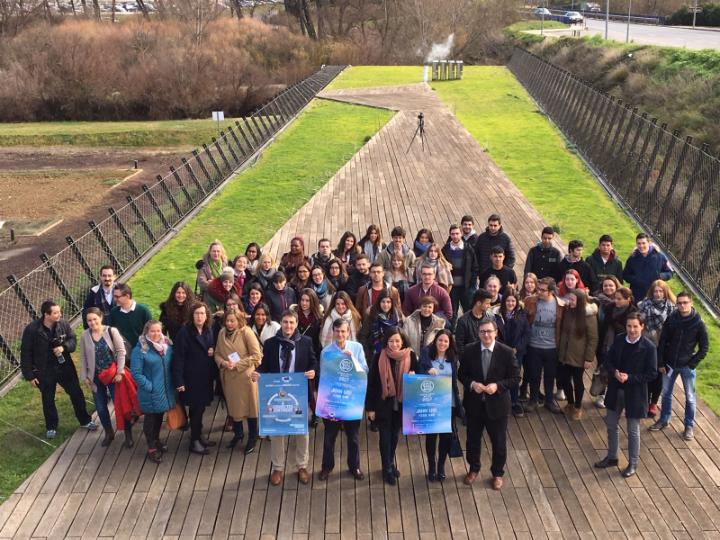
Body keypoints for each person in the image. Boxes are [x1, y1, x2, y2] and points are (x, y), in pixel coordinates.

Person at [253, 310, 318, 486]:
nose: (288, 326)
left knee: (301, 431)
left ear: (296, 324)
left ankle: (302, 466)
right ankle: (278, 467)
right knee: (277, 431)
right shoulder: (270, 343)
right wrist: (258, 373)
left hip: (298, 393)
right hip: (276, 394)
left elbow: (313, 362)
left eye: (291, 322)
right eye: (285, 322)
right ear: (280, 323)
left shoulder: (305, 342)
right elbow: (264, 365)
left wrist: (313, 371)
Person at [21, 300, 97, 440]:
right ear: (46, 314)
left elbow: (72, 340)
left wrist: (64, 347)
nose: (59, 314)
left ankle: (85, 420)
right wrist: (30, 375)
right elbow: (25, 353)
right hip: (44, 371)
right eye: (56, 313)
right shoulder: (32, 330)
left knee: (76, 394)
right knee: (48, 399)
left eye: (59, 312)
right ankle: (51, 426)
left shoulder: (63, 324)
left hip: (65, 368)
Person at [459, 318, 520, 489]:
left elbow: (516, 378)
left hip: (498, 405)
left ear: (496, 332)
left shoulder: (507, 352)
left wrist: (498, 386)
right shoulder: (470, 350)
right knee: (472, 440)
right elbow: (461, 374)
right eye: (482, 332)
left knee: (499, 442)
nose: (486, 335)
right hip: (474, 405)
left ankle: (498, 473)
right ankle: (473, 468)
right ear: (478, 333)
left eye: (489, 331)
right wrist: (472, 384)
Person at [595, 312, 657, 478]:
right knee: (611, 425)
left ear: (642, 327)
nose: (632, 330)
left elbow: (651, 374)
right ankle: (612, 456)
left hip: (635, 392)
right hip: (616, 388)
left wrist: (630, 378)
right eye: (629, 326)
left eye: (635, 326)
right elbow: (608, 360)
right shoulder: (619, 339)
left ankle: (633, 463)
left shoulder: (649, 348)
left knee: (633, 430)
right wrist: (614, 372)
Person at [650, 292, 709, 440]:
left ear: (691, 303)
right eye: (680, 303)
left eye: (685, 302)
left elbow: (704, 347)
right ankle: (664, 419)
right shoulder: (672, 319)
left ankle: (689, 426)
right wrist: (661, 362)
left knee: (689, 397)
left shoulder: (699, 323)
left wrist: (692, 363)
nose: (682, 305)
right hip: (669, 363)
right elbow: (662, 341)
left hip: (687, 365)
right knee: (666, 393)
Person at [366, 327, 419, 484]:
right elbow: (372, 384)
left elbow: (419, 374)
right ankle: (387, 468)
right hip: (384, 404)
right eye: (391, 341)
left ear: (402, 341)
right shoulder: (379, 357)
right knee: (384, 437)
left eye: (397, 341)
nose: (394, 344)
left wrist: (414, 375)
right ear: (386, 342)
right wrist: (370, 408)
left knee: (395, 436)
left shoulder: (410, 355)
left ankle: (389, 462)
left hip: (402, 404)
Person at [318, 318, 368, 481]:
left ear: (348, 332)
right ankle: (327, 467)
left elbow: (365, 372)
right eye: (337, 331)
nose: (340, 334)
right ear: (333, 332)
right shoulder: (326, 352)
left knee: (353, 437)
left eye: (343, 331)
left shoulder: (357, 348)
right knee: (329, 437)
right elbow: (324, 377)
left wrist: (352, 359)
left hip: (351, 400)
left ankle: (354, 467)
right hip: (332, 400)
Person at [215, 309, 262, 453]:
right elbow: (217, 353)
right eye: (227, 321)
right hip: (229, 377)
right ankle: (238, 434)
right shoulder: (221, 333)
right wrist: (223, 363)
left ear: (238, 321)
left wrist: (238, 364)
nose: (229, 324)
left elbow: (256, 355)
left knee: (251, 408)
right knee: (234, 408)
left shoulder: (247, 332)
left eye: (232, 321)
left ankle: (252, 437)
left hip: (246, 378)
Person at [418, 330, 462, 482]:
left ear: (450, 343)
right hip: (431, 401)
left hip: (448, 402)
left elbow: (456, 380)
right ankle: (431, 465)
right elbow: (418, 371)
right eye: (440, 340)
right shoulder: (426, 354)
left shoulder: (453, 358)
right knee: (431, 436)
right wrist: (426, 370)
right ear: (435, 341)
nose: (442, 343)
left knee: (446, 436)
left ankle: (441, 465)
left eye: (446, 341)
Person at [173, 302, 216, 455]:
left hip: (205, 377)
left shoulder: (208, 330)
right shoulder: (184, 333)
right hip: (190, 379)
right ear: (192, 315)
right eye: (197, 313)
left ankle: (198, 435)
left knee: (201, 408)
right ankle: (194, 441)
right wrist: (179, 381)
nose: (199, 316)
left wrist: (212, 350)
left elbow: (211, 347)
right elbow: (178, 358)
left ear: (207, 315)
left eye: (202, 313)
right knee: (196, 410)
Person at [80, 307, 127, 447]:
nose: (92, 322)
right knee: (100, 407)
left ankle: (127, 432)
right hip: (95, 376)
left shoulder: (111, 331)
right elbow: (83, 357)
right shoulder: (84, 335)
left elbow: (120, 352)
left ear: (100, 318)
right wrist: (85, 376)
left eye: (94, 319)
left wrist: (120, 372)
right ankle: (108, 432)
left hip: (113, 375)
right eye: (89, 320)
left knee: (119, 403)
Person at [131, 321, 175, 463]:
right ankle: (151, 448)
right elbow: (136, 373)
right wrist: (150, 387)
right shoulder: (140, 350)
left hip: (164, 391)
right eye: (152, 331)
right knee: (150, 420)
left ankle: (156, 440)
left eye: (158, 331)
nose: (156, 334)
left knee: (158, 418)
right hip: (150, 392)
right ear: (146, 332)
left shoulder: (167, 345)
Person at [523, 277, 565, 414]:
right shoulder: (530, 301)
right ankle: (533, 400)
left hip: (552, 347)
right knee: (534, 375)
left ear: (551, 291)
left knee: (550, 375)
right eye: (538, 288)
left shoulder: (560, 305)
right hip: (533, 345)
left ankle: (549, 400)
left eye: (542, 290)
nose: (539, 292)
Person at [557, 290, 598, 420]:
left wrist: (589, 358)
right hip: (565, 353)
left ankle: (578, 406)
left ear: (580, 301)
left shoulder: (588, 316)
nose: (570, 301)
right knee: (564, 379)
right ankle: (570, 402)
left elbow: (593, 338)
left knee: (577, 381)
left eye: (573, 300)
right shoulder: (569, 311)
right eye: (570, 299)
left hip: (579, 355)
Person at [638, 280, 675, 417]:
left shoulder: (671, 308)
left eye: (661, 291)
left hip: (663, 345)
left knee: (659, 375)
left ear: (665, 292)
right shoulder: (644, 305)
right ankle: (645, 401)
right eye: (655, 291)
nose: (658, 294)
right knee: (647, 373)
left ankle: (654, 403)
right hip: (647, 343)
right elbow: (639, 322)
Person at [595, 287, 636, 409]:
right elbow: (603, 325)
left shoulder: (632, 312)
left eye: (619, 299)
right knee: (603, 370)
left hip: (622, 347)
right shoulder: (609, 308)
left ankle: (617, 398)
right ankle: (601, 395)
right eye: (615, 298)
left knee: (619, 373)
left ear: (628, 299)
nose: (616, 301)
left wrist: (613, 322)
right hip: (606, 343)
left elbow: (626, 330)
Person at [495, 292, 531, 417]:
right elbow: (495, 334)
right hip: (501, 351)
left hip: (517, 352)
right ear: (504, 302)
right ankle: (501, 402)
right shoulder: (497, 316)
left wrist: (517, 348)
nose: (510, 303)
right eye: (508, 301)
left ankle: (515, 402)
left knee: (515, 377)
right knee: (501, 376)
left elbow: (526, 334)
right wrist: (504, 349)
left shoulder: (521, 315)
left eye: (513, 301)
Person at [442, 224, 479, 325]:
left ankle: (468, 331)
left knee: (468, 311)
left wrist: (472, 285)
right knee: (452, 312)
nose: (455, 236)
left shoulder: (468, 248)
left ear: (461, 233)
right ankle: (452, 334)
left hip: (465, 287)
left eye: (457, 233)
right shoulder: (445, 249)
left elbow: (475, 267)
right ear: (450, 235)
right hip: (452, 287)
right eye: (452, 234)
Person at [623, 233, 673, 301]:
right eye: (639, 243)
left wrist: (660, 276)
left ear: (649, 243)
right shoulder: (632, 258)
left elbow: (670, 272)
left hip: (655, 295)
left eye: (643, 243)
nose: (641, 246)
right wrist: (636, 279)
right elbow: (625, 275)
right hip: (637, 296)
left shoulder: (660, 256)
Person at [359, 289, 404, 363]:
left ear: (392, 303)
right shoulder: (372, 315)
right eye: (383, 302)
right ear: (379, 302)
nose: (386, 305)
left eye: (388, 302)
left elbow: (401, 337)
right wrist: (366, 354)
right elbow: (363, 336)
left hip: (393, 354)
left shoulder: (397, 317)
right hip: (374, 354)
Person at [109, 283, 153, 351]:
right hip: (122, 353)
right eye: (114, 296)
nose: (115, 299)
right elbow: (111, 332)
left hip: (141, 351)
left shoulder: (143, 310)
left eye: (117, 297)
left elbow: (150, 331)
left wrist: (143, 351)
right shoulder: (113, 312)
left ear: (127, 296)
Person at [455, 288, 494, 356]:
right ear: (478, 303)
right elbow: (460, 345)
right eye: (487, 303)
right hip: (469, 359)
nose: (489, 306)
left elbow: (494, 338)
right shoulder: (463, 321)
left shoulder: (490, 318)